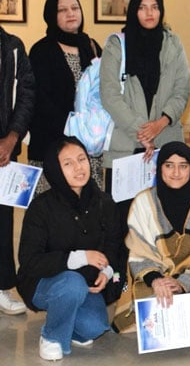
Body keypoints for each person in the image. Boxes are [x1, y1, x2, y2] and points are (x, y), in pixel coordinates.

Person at [17, 136, 123, 361]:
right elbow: (29, 260)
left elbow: (114, 246)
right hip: (42, 282)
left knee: (95, 327)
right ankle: (52, 337)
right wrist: (79, 258)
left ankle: (62, 316)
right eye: (68, 163)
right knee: (72, 285)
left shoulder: (104, 203)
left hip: (85, 285)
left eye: (81, 159)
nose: (78, 168)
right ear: (56, 169)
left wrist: (107, 272)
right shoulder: (41, 208)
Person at [114, 141, 190, 332]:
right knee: (148, 299)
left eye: (183, 166)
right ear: (159, 168)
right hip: (153, 276)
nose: (176, 172)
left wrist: (182, 283)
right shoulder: (144, 201)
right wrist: (156, 279)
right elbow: (138, 251)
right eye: (169, 165)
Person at [100, 0, 190, 219]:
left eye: (155, 7)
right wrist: (142, 131)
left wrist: (161, 122)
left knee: (163, 220)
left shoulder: (173, 43)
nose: (149, 13)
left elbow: (182, 89)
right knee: (122, 223)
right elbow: (109, 94)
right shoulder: (116, 45)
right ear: (133, 12)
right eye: (142, 8)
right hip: (125, 145)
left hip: (165, 141)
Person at [29, 0, 103, 193]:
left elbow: (103, 91)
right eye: (62, 10)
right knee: (54, 214)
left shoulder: (92, 46)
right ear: (52, 16)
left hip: (88, 146)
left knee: (89, 210)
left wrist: (88, 132)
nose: (71, 13)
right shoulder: (41, 50)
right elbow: (40, 99)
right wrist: (72, 129)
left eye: (75, 8)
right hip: (52, 143)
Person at [0, 0, 35, 316]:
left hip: (3, 151)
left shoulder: (12, 46)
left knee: (2, 220)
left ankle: (2, 288)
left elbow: (27, 94)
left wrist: (12, 137)